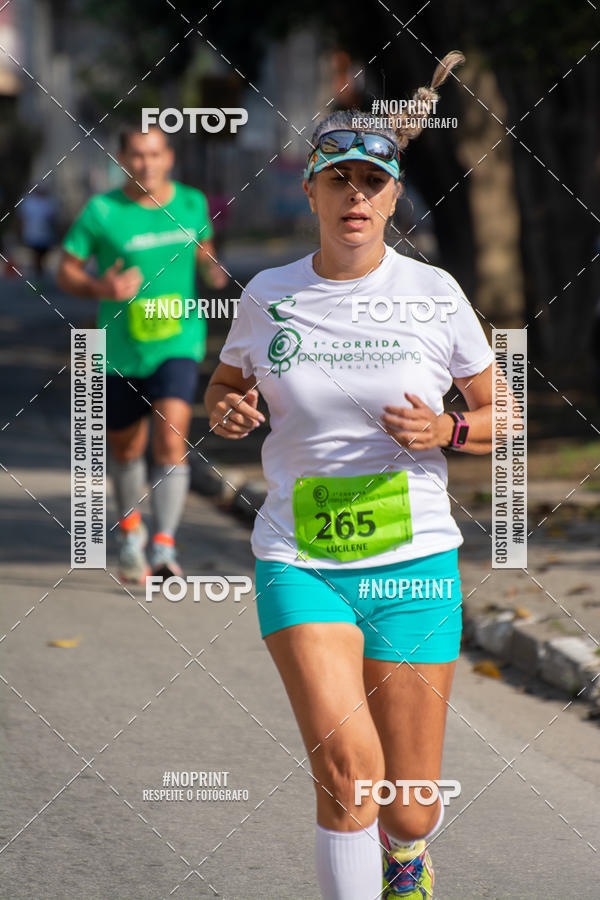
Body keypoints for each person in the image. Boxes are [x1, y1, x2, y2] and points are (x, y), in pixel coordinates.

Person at [206, 51, 494, 899]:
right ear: (314, 192)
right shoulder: (269, 294)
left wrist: (449, 427)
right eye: (340, 182)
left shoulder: (435, 294)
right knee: (348, 773)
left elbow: (501, 413)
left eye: (373, 183)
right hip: (301, 561)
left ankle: (408, 858)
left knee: (405, 807)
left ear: (395, 196)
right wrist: (228, 410)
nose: (356, 198)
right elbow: (229, 385)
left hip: (416, 565)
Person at [57, 125, 227, 582]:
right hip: (118, 350)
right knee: (127, 449)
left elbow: (204, 250)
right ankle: (130, 530)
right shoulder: (102, 211)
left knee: (171, 440)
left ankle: (164, 546)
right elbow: (65, 271)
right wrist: (100, 287)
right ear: (122, 158)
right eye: (136, 155)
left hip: (179, 341)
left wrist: (213, 272)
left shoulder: (191, 202)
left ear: (168, 157)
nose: (145, 164)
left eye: (154, 154)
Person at [18, 186, 57, 276]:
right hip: (32, 235)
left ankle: (39, 273)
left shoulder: (49, 202)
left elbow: (53, 219)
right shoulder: (28, 201)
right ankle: (37, 274)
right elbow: (21, 219)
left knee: (42, 256)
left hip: (45, 235)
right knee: (36, 256)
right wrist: (20, 232)